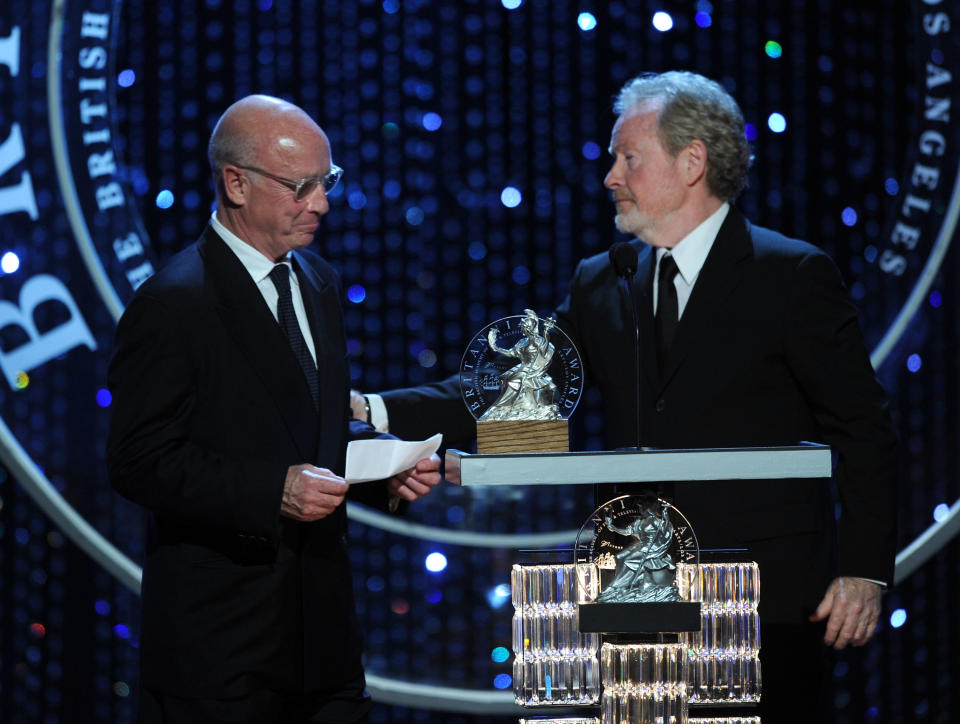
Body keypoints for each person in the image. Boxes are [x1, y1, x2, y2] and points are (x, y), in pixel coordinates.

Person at [354, 71, 898, 720]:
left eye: (628, 158)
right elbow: (522, 386)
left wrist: (865, 570)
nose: (610, 176)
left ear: (692, 161)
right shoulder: (602, 282)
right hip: (637, 591)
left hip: (762, 600)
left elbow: (863, 427)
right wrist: (377, 410)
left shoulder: (790, 275)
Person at [107, 95, 442, 724]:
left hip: (326, 649)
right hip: (222, 659)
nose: (320, 203)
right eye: (302, 186)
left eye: (327, 182)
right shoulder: (174, 302)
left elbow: (305, 435)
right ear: (236, 182)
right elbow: (138, 461)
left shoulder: (317, 282)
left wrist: (381, 479)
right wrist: (272, 492)